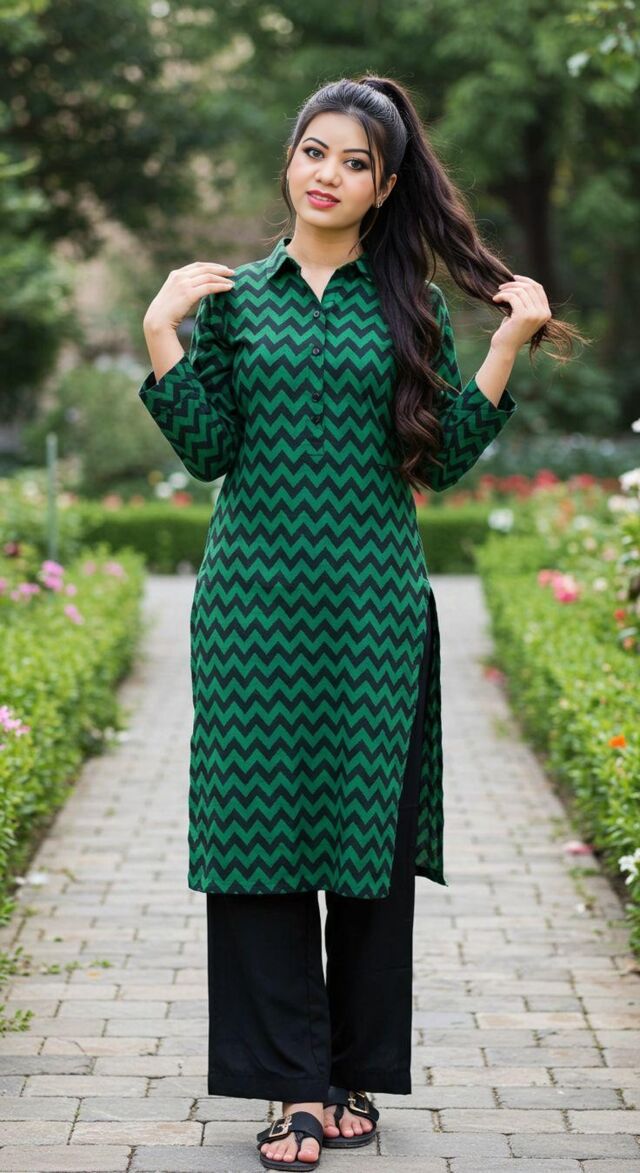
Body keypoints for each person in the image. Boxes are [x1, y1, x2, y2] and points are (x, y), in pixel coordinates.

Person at [138, 74, 581, 1171]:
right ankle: (289, 1088)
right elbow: (208, 449)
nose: (327, 175)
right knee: (257, 839)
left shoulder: (409, 304)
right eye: (314, 152)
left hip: (374, 614)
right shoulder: (235, 299)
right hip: (251, 612)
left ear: (385, 189)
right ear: (289, 159)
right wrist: (161, 330)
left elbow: (440, 457)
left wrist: (505, 345)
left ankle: (351, 1074)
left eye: (355, 163)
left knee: (364, 844)